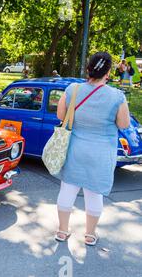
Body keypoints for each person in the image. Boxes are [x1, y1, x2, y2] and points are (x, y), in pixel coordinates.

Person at [54, 52, 131, 246]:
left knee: (67, 190)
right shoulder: (117, 96)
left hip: (74, 149)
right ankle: (89, 234)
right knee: (94, 194)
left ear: (88, 69)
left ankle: (62, 231)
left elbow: (60, 115)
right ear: (108, 73)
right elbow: (123, 124)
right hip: (101, 153)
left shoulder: (73, 89)